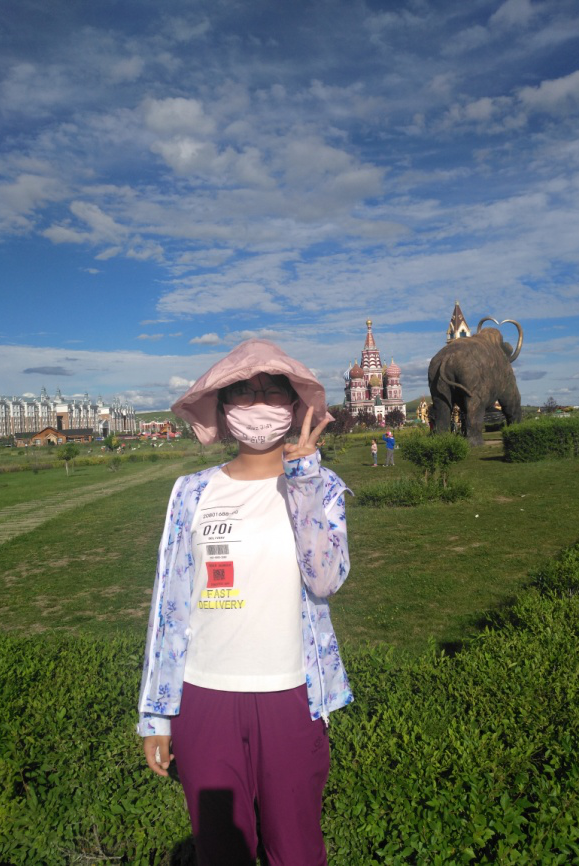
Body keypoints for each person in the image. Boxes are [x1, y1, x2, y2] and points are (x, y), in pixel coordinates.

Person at [137, 339, 353, 866]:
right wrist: (155, 716)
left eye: (272, 391)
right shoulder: (191, 492)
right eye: (243, 391)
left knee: (296, 849)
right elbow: (169, 602)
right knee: (221, 851)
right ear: (223, 407)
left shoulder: (320, 486)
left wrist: (304, 481)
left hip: (290, 694)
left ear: (294, 406)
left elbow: (326, 579)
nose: (258, 403)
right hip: (204, 696)